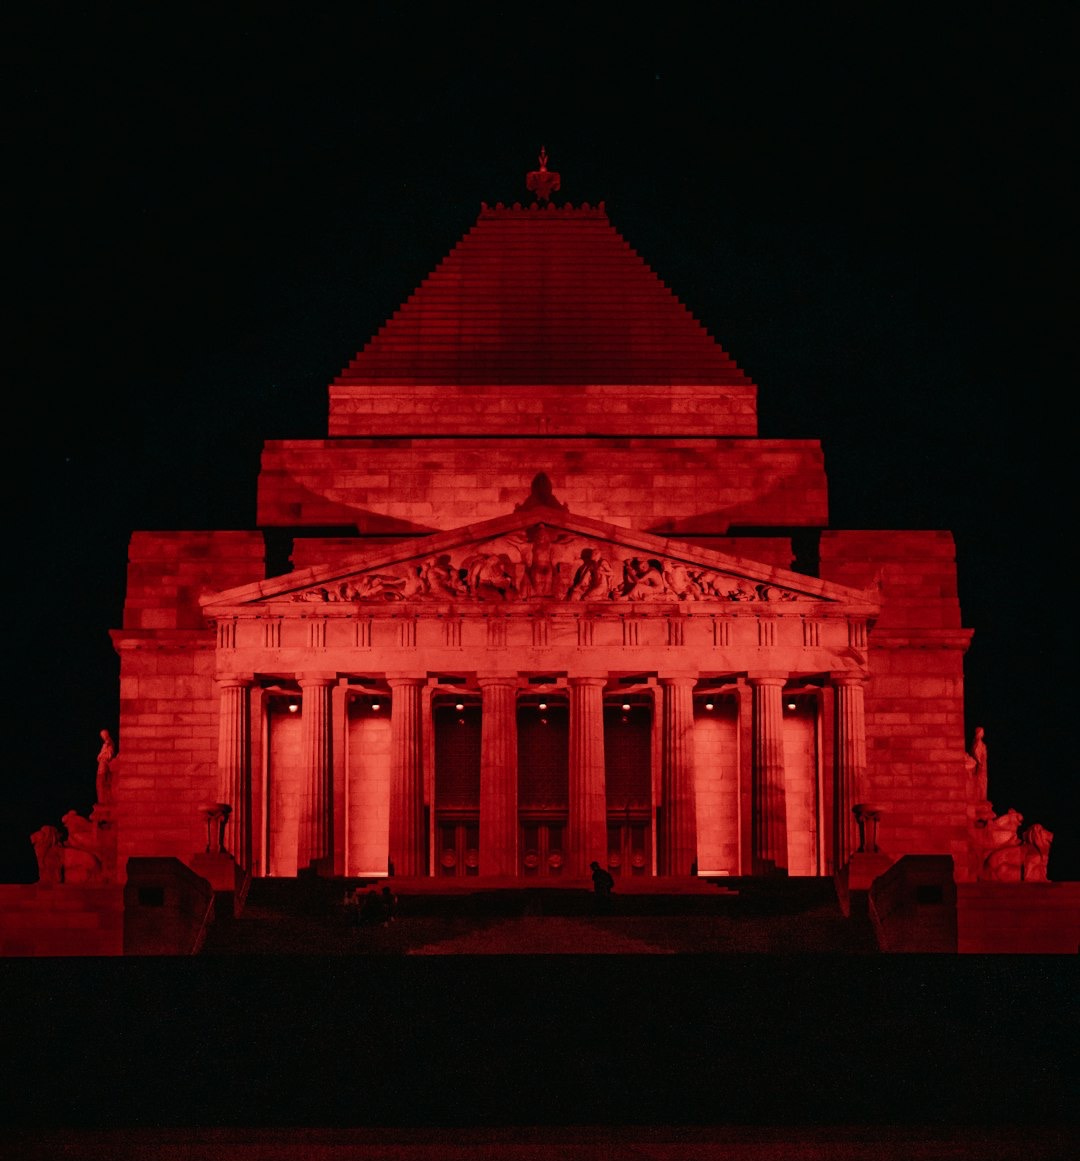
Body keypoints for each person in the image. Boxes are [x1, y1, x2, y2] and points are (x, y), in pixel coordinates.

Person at [95, 729, 116, 804]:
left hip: (104, 764)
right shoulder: (106, 744)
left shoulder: (109, 743)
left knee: (102, 782)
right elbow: (100, 755)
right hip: (102, 763)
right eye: (102, 736)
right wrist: (100, 756)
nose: (103, 737)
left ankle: (104, 801)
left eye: (103, 735)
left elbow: (109, 755)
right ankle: (102, 800)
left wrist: (101, 756)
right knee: (99, 783)